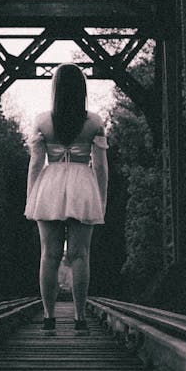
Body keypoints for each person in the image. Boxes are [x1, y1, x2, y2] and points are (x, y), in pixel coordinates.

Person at [25, 63, 108, 335]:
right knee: (80, 254)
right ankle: (79, 317)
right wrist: (101, 200)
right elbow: (101, 166)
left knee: (48, 254)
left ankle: (49, 317)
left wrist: (31, 197)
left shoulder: (42, 121)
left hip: (49, 186)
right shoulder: (94, 122)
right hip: (83, 186)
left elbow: (36, 164)